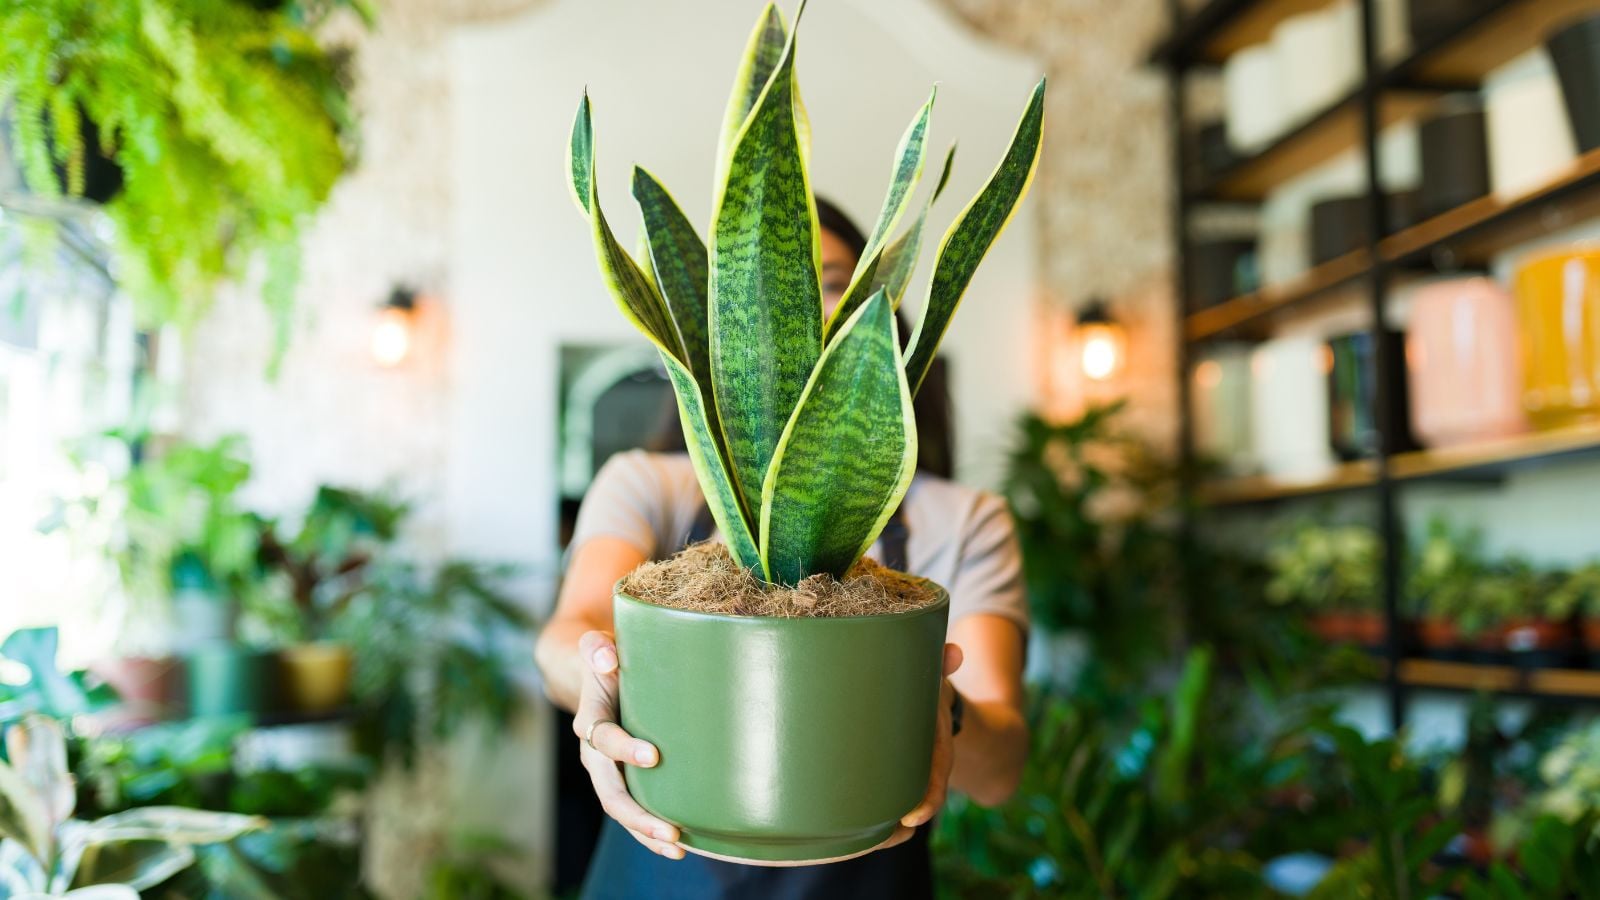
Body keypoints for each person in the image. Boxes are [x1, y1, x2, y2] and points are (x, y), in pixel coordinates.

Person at [535, 197, 1030, 900]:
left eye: (834, 286)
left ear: (883, 316)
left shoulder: (965, 520)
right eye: (770, 300)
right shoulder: (648, 485)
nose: (809, 317)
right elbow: (571, 629)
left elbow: (1000, 767)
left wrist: (938, 705)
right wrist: (594, 677)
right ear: (722, 330)